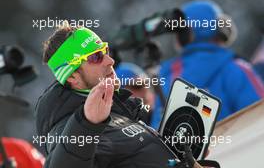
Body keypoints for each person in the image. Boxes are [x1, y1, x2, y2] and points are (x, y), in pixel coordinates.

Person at [35, 25, 205, 168]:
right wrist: (86, 124)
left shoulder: (119, 112)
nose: (110, 60)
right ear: (72, 77)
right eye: (96, 57)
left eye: (105, 50)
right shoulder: (67, 129)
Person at [151, 0, 264, 129]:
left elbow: (157, 131)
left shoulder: (166, 76)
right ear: (220, 30)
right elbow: (260, 118)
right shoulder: (236, 68)